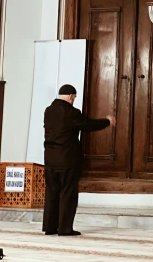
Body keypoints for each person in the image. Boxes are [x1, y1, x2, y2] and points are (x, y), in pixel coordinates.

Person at [43, 84, 112, 237]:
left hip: (50, 160)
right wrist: (106, 121)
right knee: (68, 193)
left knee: (51, 192)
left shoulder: (48, 111)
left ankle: (49, 227)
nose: (74, 100)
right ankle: (65, 229)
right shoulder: (72, 113)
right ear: (70, 96)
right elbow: (87, 125)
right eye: (74, 97)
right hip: (67, 160)